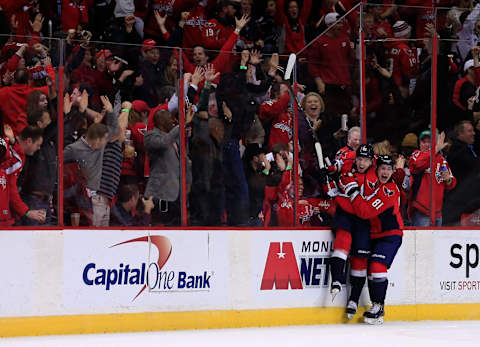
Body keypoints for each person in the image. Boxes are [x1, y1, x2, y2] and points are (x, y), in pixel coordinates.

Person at [339, 155, 403, 324]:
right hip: (374, 235)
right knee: (370, 271)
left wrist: (352, 189)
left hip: (390, 235)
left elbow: (364, 212)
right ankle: (377, 307)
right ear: (377, 170)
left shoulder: (389, 190)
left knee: (376, 266)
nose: (385, 172)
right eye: (383, 168)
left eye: (389, 169)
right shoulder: (373, 186)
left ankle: (379, 306)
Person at [329, 144, 376, 301]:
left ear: (372, 161)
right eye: (360, 159)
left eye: (366, 160)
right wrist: (329, 173)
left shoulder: (376, 175)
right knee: (343, 239)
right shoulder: (347, 166)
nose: (362, 163)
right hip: (347, 214)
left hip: (364, 218)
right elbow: (337, 165)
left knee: (360, 257)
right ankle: (336, 279)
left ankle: (354, 300)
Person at [408, 130, 456, 227]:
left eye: (429, 142)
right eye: (423, 142)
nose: (426, 144)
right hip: (421, 210)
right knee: (422, 242)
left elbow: (451, 183)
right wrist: (436, 149)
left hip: (437, 212)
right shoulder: (416, 155)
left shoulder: (441, 160)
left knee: (435, 242)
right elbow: (417, 164)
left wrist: (448, 180)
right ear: (419, 144)